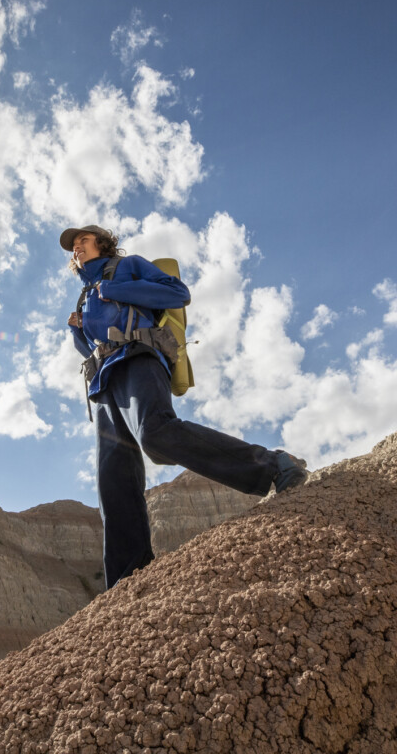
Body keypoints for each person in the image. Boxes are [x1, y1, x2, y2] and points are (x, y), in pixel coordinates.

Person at [62, 224, 309, 589]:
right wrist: (77, 332)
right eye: (73, 247)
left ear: (101, 242)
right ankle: (128, 581)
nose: (76, 249)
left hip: (139, 357)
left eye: (82, 241)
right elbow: (90, 348)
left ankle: (275, 466)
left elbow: (178, 293)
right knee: (111, 481)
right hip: (102, 384)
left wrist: (116, 289)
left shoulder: (126, 266)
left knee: (156, 434)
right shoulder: (84, 297)